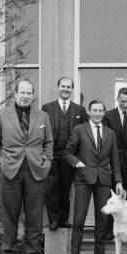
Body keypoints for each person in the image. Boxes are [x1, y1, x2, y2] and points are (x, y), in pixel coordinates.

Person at [0, 79, 53, 254]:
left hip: (36, 170)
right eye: (22, 93)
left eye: (29, 93)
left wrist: (47, 161)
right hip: (10, 170)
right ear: (15, 94)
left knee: (34, 217)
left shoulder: (43, 116)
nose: (25, 96)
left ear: (33, 96)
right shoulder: (1, 115)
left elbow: (49, 142)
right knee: (10, 215)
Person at [64, 100, 123, 254]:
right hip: (83, 178)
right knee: (79, 218)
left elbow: (115, 159)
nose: (97, 113)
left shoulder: (110, 133)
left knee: (102, 220)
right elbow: (68, 152)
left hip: (103, 180)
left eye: (100, 111)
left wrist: (118, 181)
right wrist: (78, 163)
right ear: (89, 112)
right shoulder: (79, 130)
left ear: (104, 113)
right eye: (94, 110)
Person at [42, 77, 88, 230]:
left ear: (72, 89)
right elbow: (42, 131)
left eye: (69, 87)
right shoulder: (47, 108)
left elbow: (84, 133)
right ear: (58, 87)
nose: (65, 89)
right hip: (52, 153)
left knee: (66, 188)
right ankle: (53, 220)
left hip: (70, 155)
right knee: (52, 187)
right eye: (63, 86)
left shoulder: (79, 110)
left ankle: (63, 219)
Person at [103, 87, 127, 207]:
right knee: (112, 195)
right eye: (123, 101)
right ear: (117, 99)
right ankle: (111, 226)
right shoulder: (108, 115)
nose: (125, 104)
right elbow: (105, 140)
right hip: (112, 161)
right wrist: (107, 159)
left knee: (126, 194)